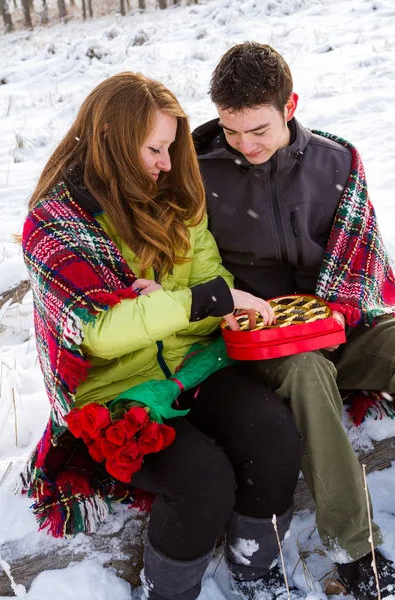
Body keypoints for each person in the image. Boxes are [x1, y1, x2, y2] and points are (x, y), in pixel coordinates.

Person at [21, 72, 302, 600]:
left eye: (171, 147)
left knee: (274, 434)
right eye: (155, 148)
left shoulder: (173, 201)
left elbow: (207, 293)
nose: (168, 164)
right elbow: (98, 334)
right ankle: (167, 592)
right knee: (202, 479)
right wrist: (193, 303)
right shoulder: (57, 222)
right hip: (116, 396)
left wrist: (177, 309)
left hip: (194, 365)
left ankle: (257, 570)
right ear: (112, 139)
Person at [193, 42, 395, 599]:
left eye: (257, 129)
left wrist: (335, 313)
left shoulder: (336, 162)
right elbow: (182, 265)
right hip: (258, 347)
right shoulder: (195, 172)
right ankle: (355, 550)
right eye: (232, 132)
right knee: (308, 371)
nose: (244, 145)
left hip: (334, 322)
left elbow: (362, 260)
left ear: (289, 106)